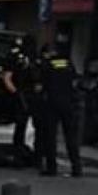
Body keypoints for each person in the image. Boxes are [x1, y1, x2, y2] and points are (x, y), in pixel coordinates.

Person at [34, 37, 82, 177]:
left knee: (50, 137)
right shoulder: (68, 64)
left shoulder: (47, 64)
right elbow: (75, 82)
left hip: (52, 103)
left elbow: (40, 85)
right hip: (69, 103)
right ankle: (76, 167)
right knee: (71, 137)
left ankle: (51, 167)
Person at [0, 37, 38, 167]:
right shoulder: (31, 57)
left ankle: (24, 156)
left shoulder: (19, 56)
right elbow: (7, 78)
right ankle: (22, 156)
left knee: (24, 127)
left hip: (26, 95)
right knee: (24, 127)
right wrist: (17, 94)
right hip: (25, 95)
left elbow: (7, 78)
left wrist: (15, 93)